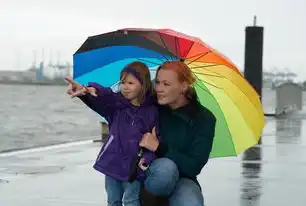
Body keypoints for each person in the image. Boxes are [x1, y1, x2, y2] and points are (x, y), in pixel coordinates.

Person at [65, 61, 159, 206]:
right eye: (122, 82)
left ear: (143, 84)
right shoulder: (116, 106)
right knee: (113, 201)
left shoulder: (152, 112)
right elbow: (103, 96)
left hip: (134, 168)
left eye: (131, 83)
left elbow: (155, 139)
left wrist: (147, 159)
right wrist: (86, 91)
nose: (125, 87)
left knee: (131, 200)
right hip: (112, 163)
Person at [138, 61, 216, 206]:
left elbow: (193, 167)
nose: (159, 89)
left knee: (190, 203)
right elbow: (117, 107)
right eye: (158, 82)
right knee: (165, 170)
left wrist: (159, 147)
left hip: (184, 178)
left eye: (166, 84)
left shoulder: (203, 118)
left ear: (184, 86)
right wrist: (87, 94)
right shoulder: (150, 106)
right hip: (149, 173)